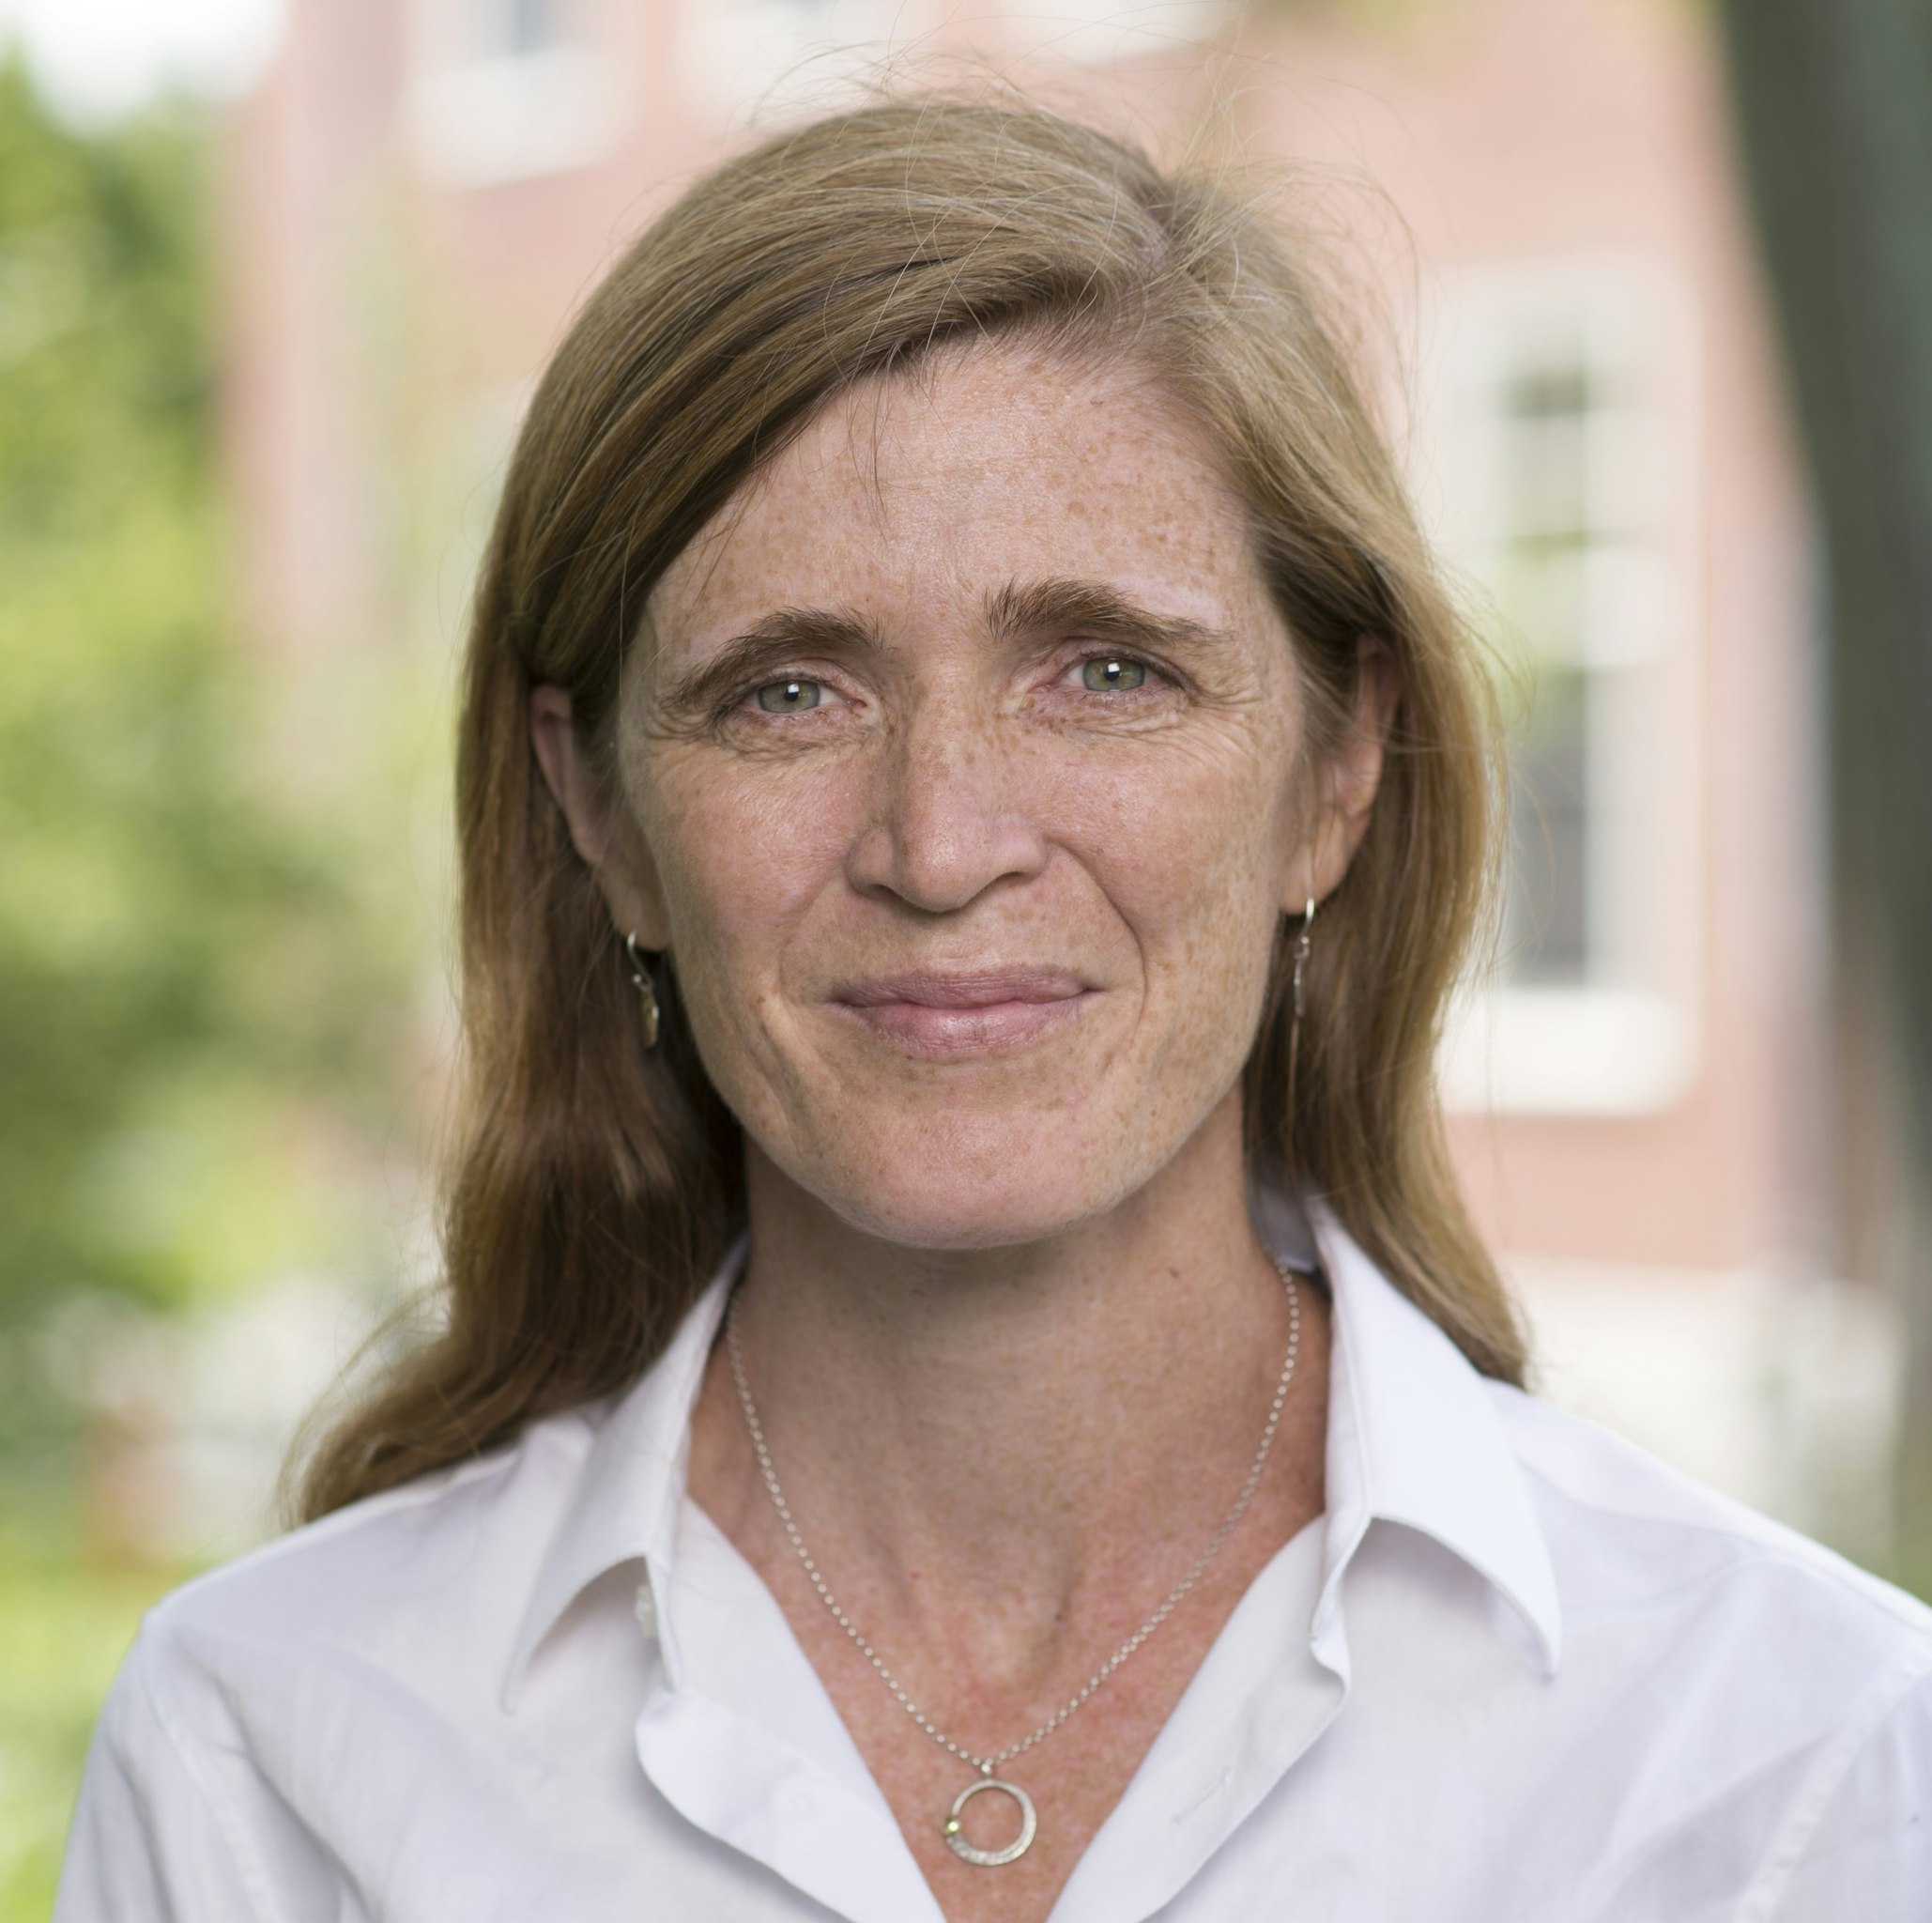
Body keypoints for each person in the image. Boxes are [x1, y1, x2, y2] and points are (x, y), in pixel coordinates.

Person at [54, 96, 1932, 1923]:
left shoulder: (1791, 1761)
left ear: (1338, 767)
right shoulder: (273, 1760)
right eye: (787, 691)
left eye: (1106, 670)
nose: (941, 843)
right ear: (597, 810)